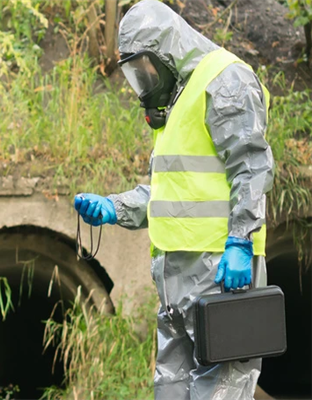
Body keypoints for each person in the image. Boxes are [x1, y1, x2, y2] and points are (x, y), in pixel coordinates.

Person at [73, 1, 274, 399]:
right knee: (172, 390)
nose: (143, 81)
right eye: (135, 73)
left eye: (146, 68)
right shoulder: (179, 102)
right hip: (176, 282)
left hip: (222, 274)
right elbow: (173, 194)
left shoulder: (225, 79)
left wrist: (241, 240)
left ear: (168, 49)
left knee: (222, 388)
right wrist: (116, 207)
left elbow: (251, 166)